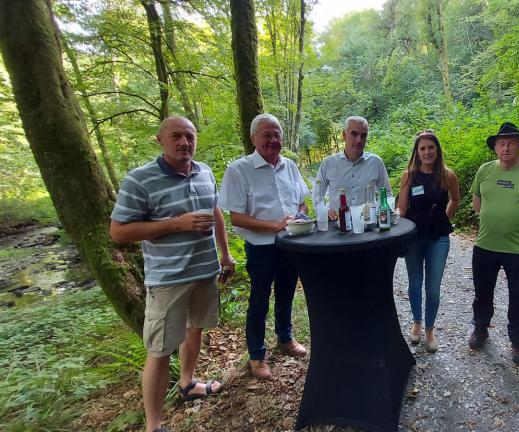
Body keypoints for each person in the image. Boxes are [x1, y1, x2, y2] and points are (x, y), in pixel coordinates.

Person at [109, 116, 235, 432]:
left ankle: (188, 383)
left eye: (189, 136)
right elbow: (119, 232)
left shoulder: (205, 171)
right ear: (160, 140)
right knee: (160, 350)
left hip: (204, 271)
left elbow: (215, 210)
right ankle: (155, 426)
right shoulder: (140, 180)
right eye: (176, 136)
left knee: (195, 329)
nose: (184, 142)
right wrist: (176, 224)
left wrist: (225, 252)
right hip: (167, 279)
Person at [218, 113, 309, 380]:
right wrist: (275, 225)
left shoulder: (290, 166)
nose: (273, 139)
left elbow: (301, 202)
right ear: (253, 138)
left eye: (277, 134)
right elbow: (235, 216)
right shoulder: (239, 170)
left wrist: (299, 215)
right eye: (267, 134)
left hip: (290, 244)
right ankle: (256, 356)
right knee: (259, 300)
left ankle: (285, 338)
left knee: (286, 294)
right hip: (261, 247)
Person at [468, 122, 519, 364]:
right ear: (495, 147)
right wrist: (491, 220)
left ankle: (517, 342)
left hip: (518, 247)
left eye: (511, 143)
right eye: (501, 143)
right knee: (482, 291)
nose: (506, 148)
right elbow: (477, 201)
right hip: (485, 244)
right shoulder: (484, 170)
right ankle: (480, 328)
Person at [396, 130, 460, 353]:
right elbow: (402, 208)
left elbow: (455, 199)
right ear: (417, 152)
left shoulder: (447, 175)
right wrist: (395, 226)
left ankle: (430, 329)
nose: (427, 152)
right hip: (414, 238)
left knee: (433, 288)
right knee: (414, 284)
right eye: (422, 148)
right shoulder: (409, 176)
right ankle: (416, 322)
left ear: (437, 149)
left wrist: (444, 219)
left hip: (438, 239)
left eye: (430, 147)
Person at [313, 116, 391, 218]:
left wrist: (379, 211)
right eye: (354, 134)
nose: (359, 140)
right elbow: (317, 195)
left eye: (363, 135)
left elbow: (387, 194)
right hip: (338, 226)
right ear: (344, 135)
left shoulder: (376, 162)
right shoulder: (328, 163)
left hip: (368, 226)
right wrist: (325, 211)